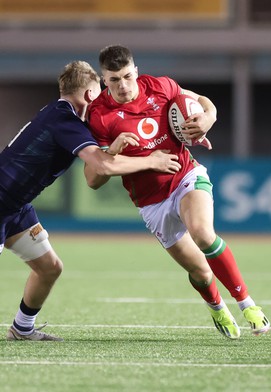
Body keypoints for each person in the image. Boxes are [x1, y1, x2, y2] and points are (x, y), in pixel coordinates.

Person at [88, 45, 270, 339]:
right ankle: (216, 307)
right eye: (114, 80)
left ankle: (248, 305)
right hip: (150, 202)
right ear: (103, 80)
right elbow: (93, 180)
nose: (123, 86)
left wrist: (208, 117)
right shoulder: (99, 116)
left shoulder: (160, 86)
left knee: (202, 233)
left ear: (135, 71)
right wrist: (111, 150)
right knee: (200, 272)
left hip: (185, 176)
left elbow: (199, 101)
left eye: (126, 77)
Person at [0, 60, 182, 341]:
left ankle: (22, 328)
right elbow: (104, 168)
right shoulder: (65, 120)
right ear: (89, 95)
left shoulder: (62, 115)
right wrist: (152, 160)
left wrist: (111, 147)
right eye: (101, 89)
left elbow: (100, 159)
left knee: (49, 268)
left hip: (15, 207)